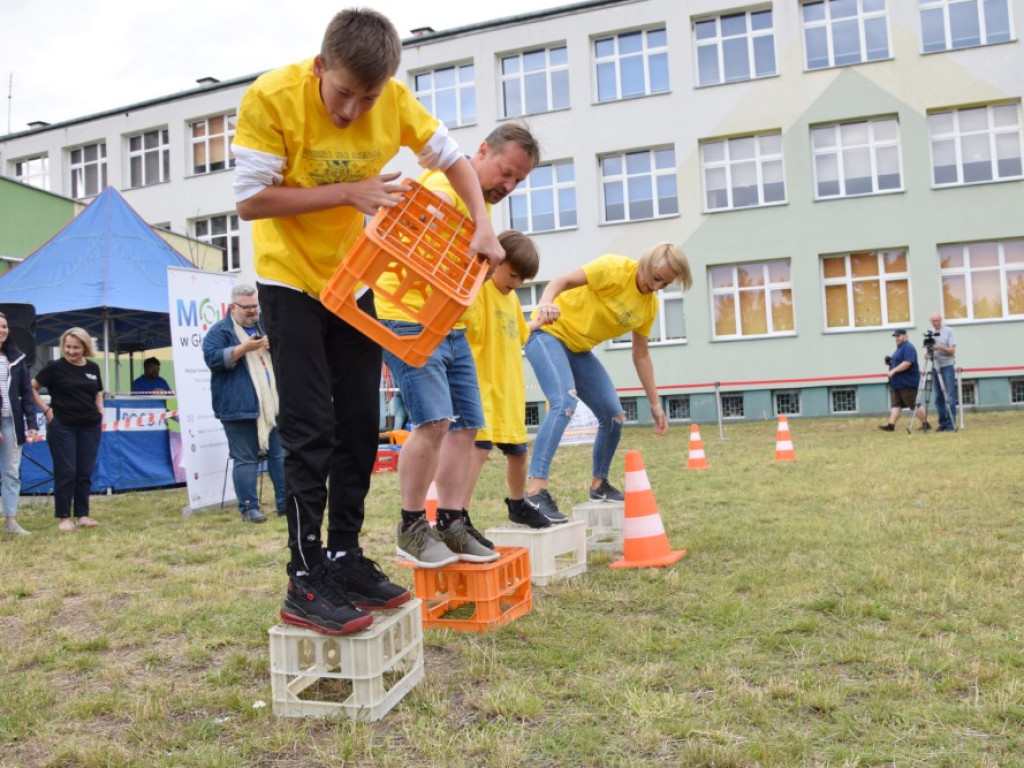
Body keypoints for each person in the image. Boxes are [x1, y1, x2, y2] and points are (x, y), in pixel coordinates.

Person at [231, 8, 504, 635]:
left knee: (359, 424)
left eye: (369, 97)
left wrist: (483, 224)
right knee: (310, 427)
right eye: (343, 93)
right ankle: (304, 579)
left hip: (355, 278)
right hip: (292, 280)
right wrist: (349, 193)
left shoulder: (397, 102)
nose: (354, 110)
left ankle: (345, 557)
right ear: (321, 66)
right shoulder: (271, 98)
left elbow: (456, 158)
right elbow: (250, 202)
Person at [376, 123, 539, 568]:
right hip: (410, 316)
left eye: (518, 182)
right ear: (482, 151)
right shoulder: (444, 189)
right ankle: (411, 527)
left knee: (467, 426)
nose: (508, 186)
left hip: (453, 325)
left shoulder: (476, 208)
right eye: (505, 173)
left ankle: (453, 522)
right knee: (432, 423)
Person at [524, 244, 693, 521]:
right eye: (657, 278)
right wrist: (546, 302)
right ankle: (535, 492)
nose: (659, 286)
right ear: (647, 264)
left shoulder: (649, 306)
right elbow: (561, 281)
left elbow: (641, 355)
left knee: (614, 415)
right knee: (564, 402)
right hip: (547, 334)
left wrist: (655, 403)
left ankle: (599, 484)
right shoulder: (614, 268)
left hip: (579, 350)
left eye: (666, 283)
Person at [461, 230, 553, 530]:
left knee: (518, 450)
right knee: (479, 448)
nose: (515, 284)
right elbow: (470, 328)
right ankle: (458, 515)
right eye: (512, 275)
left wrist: (538, 321)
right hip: (482, 387)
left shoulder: (511, 298)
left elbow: (519, 333)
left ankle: (517, 505)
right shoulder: (481, 288)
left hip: (509, 392)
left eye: (521, 280)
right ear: (496, 261)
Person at [202, 284, 285, 524]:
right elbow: (213, 359)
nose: (252, 311)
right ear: (233, 307)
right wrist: (243, 348)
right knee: (246, 459)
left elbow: (287, 354)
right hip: (238, 408)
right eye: (246, 307)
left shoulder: (265, 325)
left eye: (254, 306)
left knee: (280, 456)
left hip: (273, 405)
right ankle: (249, 508)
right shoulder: (220, 331)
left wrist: (275, 347)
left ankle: (285, 503)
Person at [31, 327, 104, 531]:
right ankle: (63, 518)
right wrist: (46, 410)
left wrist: (100, 407)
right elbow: (32, 387)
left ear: (85, 347)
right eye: (68, 347)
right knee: (67, 471)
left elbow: (97, 391)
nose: (71, 351)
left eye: (76, 347)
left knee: (84, 471)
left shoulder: (92, 368)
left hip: (90, 426)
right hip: (63, 426)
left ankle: (82, 515)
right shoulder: (55, 367)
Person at [0, 312, 38, 535]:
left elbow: (26, 392)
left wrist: (31, 423)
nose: (2, 330)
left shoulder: (17, 357)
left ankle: (11, 521)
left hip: (11, 424)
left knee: (12, 473)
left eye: (4, 326)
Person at [879, 329, 930, 432]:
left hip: (907, 382)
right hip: (897, 383)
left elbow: (907, 363)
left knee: (914, 404)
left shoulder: (908, 347)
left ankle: (925, 424)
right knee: (896, 405)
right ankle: (891, 425)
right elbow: (899, 362)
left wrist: (893, 370)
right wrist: (890, 362)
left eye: (899, 336)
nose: (897, 338)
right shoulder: (899, 348)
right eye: (896, 336)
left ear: (906, 336)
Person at [929, 313, 958, 432]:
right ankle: (942, 423)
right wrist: (928, 353)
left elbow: (952, 351)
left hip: (947, 365)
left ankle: (951, 424)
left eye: (937, 321)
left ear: (941, 320)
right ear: (931, 322)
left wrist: (941, 348)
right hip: (935, 366)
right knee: (938, 397)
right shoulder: (930, 333)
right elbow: (928, 351)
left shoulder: (949, 331)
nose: (936, 323)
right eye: (933, 321)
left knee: (950, 395)